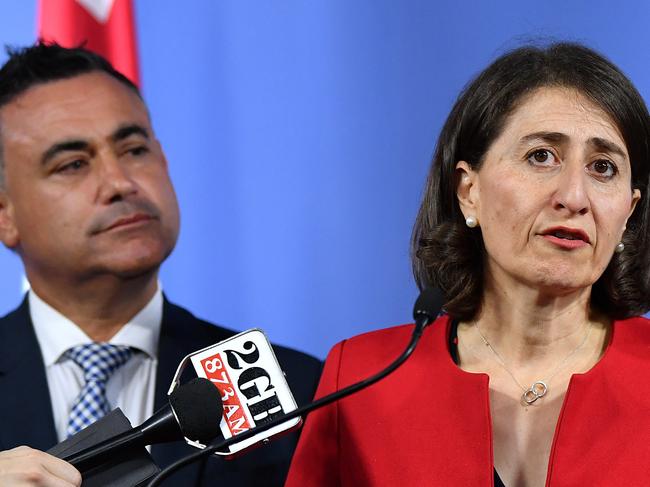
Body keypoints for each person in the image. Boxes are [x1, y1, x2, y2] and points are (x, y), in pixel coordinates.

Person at [286, 42, 650, 486]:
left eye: (603, 167)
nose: (574, 197)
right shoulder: (362, 380)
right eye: (541, 156)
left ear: (629, 212)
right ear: (468, 190)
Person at [0, 43, 322, 486]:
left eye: (134, 150)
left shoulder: (301, 392)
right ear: (5, 214)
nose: (120, 182)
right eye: (73, 164)